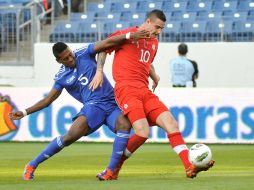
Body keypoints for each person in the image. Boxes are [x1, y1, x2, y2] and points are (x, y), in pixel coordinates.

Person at [8, 29, 150, 181]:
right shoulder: (61, 77)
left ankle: (110, 171)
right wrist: (24, 112)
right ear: (59, 61)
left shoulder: (83, 53)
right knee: (69, 137)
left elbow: (107, 43)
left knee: (124, 124)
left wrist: (129, 36)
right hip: (92, 107)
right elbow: (47, 100)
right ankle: (31, 165)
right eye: (66, 58)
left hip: (112, 103)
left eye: (70, 54)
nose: (71, 58)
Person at [90, 9, 214, 180]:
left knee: (171, 123)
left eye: (162, 29)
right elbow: (103, 46)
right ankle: (114, 167)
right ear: (148, 21)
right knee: (142, 132)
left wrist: (154, 76)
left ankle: (189, 166)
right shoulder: (127, 34)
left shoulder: (154, 42)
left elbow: (146, 62)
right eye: (157, 27)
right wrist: (99, 71)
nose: (159, 32)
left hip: (144, 90)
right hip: (126, 89)